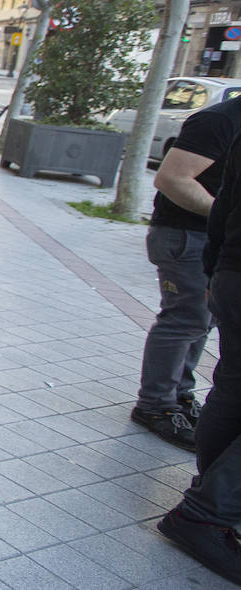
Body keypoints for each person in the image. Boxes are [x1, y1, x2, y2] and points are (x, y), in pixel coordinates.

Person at [157, 128, 241, 584]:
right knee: (187, 331)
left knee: (231, 386)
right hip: (226, 265)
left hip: (231, 266)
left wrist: (216, 268)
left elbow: (224, 207)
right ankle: (208, 511)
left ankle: (210, 495)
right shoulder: (221, 120)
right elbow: (177, 179)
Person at [133, 96, 241, 448]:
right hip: (186, 235)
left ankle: (178, 395)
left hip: (210, 238)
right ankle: (155, 406)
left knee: (202, 320)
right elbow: (171, 178)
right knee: (185, 319)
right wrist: (227, 215)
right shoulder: (221, 120)